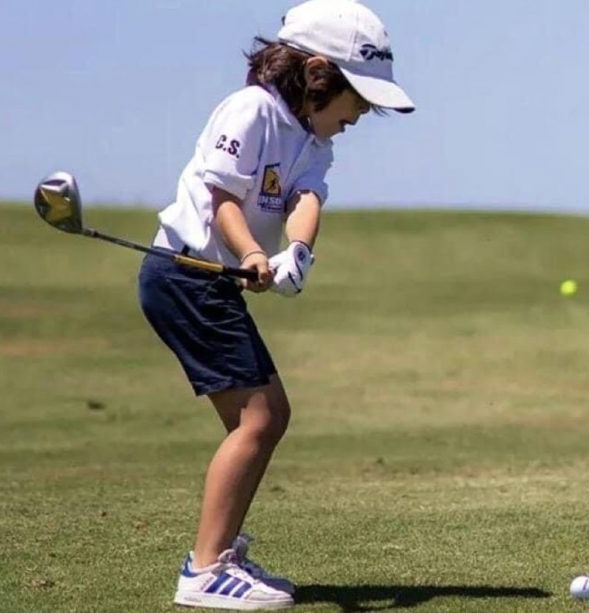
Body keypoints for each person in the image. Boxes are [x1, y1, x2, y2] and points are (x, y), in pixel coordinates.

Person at [137, 0, 414, 609]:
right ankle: (204, 571)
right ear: (319, 74)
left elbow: (308, 197)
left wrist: (296, 253)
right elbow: (221, 200)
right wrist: (250, 255)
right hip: (185, 273)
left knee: (257, 421)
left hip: (208, 282)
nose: (362, 113)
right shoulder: (251, 110)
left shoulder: (312, 136)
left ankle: (217, 553)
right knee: (263, 418)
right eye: (358, 98)